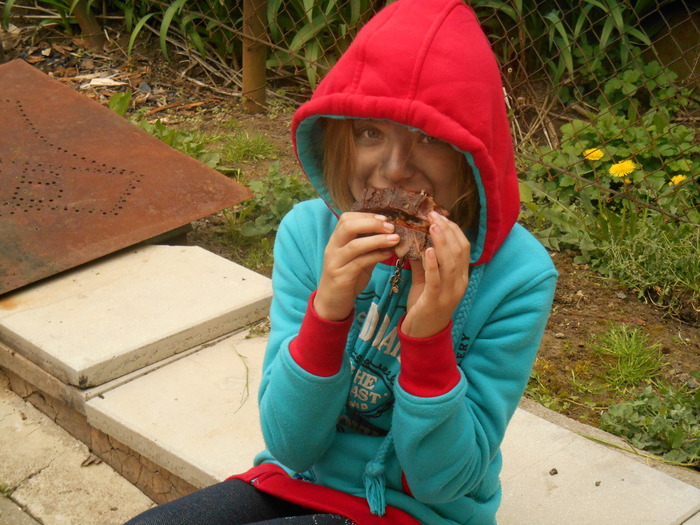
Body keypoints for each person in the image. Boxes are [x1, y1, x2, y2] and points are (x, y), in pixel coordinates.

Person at [126, 0, 557, 523]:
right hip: (298, 482)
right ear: (339, 138)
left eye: (430, 139)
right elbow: (289, 444)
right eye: (370, 133)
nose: (394, 170)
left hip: (418, 513)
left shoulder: (519, 278)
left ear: (472, 156)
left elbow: (444, 483)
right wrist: (328, 312)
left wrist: (429, 338)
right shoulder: (309, 235)